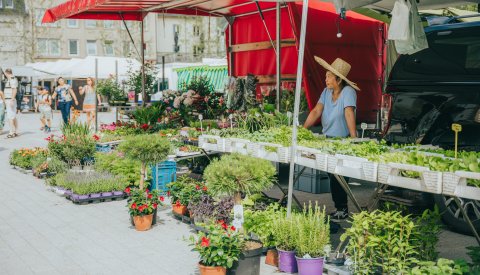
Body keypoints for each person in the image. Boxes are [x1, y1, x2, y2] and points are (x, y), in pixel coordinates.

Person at [303, 57, 360, 221]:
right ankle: (339, 208)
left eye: (329, 76)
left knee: (339, 177)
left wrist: (354, 138)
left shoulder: (348, 92)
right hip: (327, 140)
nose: (325, 79)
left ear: (339, 79)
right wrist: (302, 130)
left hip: (343, 141)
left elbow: (349, 112)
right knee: (332, 175)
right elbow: (316, 111)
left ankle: (343, 209)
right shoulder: (326, 92)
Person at [3, 68, 19, 138]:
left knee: (10, 117)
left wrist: (12, 100)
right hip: (9, 99)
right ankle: (15, 131)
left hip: (10, 100)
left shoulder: (12, 79)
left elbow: (14, 89)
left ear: (6, 73)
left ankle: (11, 132)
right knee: (13, 116)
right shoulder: (11, 79)